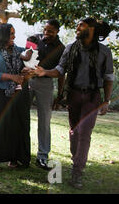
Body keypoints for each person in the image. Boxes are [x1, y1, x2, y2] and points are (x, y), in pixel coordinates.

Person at [34, 18, 113, 188]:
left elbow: (108, 78)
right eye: (77, 25)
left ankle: (77, 172)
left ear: (92, 29)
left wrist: (106, 100)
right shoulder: (70, 48)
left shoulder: (104, 52)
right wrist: (44, 72)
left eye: (81, 25)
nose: (77, 28)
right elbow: (60, 70)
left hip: (92, 97)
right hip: (74, 95)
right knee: (75, 133)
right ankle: (75, 159)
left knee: (84, 133)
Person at [0, 23, 32, 173]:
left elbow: (32, 55)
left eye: (14, 33)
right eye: (11, 34)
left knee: (17, 126)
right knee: (0, 127)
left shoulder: (19, 50)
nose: (14, 36)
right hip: (0, 93)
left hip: (18, 94)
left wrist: (28, 61)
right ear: (3, 35)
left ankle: (15, 158)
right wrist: (12, 77)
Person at [26, 20, 65, 170]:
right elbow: (25, 60)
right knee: (22, 116)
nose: (46, 34)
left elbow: (61, 73)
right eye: (45, 30)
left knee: (44, 121)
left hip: (46, 84)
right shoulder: (34, 39)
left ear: (57, 32)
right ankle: (20, 151)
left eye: (51, 32)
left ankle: (42, 156)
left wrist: (60, 95)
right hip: (28, 81)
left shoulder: (61, 48)